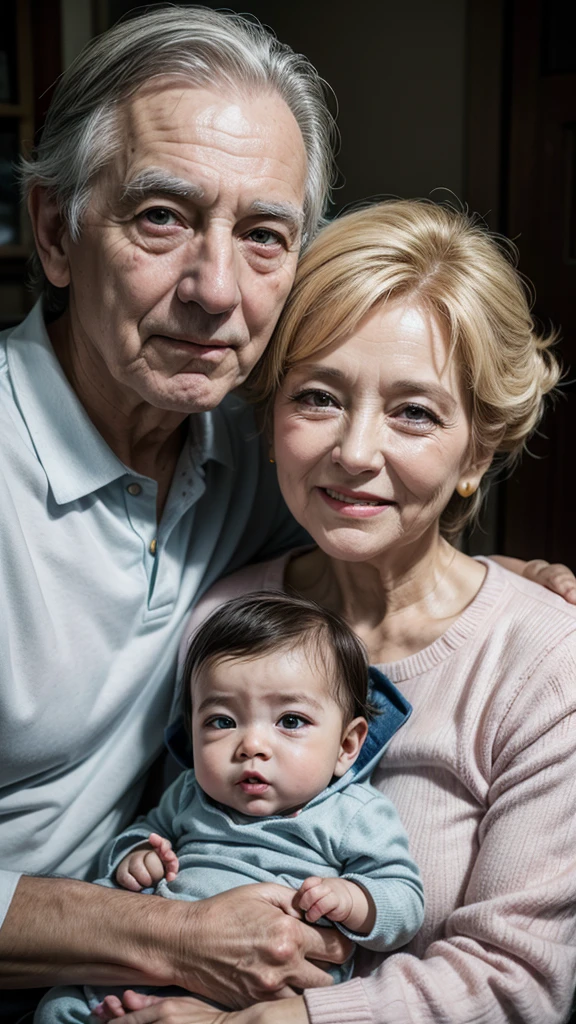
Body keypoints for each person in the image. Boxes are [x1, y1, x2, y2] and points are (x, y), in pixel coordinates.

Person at [0, 5, 572, 1016]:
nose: (215, 290)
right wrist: (169, 937)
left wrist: (510, 601)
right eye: (161, 216)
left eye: (264, 233)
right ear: (54, 231)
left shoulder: (240, 448)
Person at [105, 199, 576, 1024]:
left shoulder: (545, 662)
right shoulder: (227, 608)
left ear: (480, 450)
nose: (355, 454)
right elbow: (188, 850)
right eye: (318, 397)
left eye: (414, 412)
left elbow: (520, 979)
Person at [35, 592, 425, 1022]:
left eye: (290, 721)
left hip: (255, 989)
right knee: (57, 1005)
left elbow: (404, 900)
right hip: (143, 961)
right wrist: (137, 856)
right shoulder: (190, 792)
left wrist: (353, 898)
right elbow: (146, 829)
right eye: (222, 721)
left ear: (347, 745)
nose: (252, 746)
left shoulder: (352, 813)